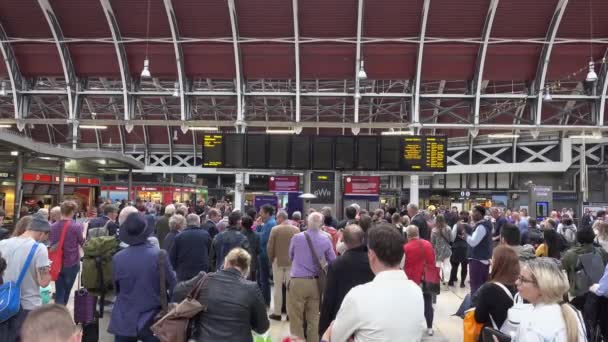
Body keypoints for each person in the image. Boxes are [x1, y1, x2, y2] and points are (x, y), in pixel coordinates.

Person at [323, 225, 424, 341]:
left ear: (371, 255)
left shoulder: (358, 296)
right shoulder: (416, 291)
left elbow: (335, 337)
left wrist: (330, 331)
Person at [172, 248, 269, 341]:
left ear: (225, 263)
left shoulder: (205, 280)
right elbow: (262, 327)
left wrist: (198, 278)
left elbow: (177, 292)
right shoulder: (252, 288)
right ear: (246, 270)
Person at [108, 212, 176, 342]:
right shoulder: (160, 255)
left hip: (125, 317)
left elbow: (117, 289)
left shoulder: (118, 258)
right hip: (152, 317)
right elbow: (173, 283)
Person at [0, 213, 51, 341]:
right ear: (41, 233)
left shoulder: (3, 243)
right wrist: (47, 268)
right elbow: (44, 282)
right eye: (45, 237)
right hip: (28, 306)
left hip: (3, 303)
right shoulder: (39, 248)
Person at [288, 212, 336, 342]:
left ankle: (297, 339)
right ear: (321, 224)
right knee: (313, 317)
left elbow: (290, 255)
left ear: (307, 222)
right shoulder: (326, 239)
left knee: (296, 316)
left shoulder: (297, 237)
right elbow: (333, 260)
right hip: (315, 282)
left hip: (297, 280)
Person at [318, 224, 374, 337]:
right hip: (369, 318)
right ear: (363, 239)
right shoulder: (373, 262)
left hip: (341, 320)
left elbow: (329, 297)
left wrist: (323, 328)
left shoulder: (336, 264)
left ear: (344, 241)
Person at [514, 258, 587, 341]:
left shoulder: (531, 324)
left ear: (542, 286)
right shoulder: (573, 312)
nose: (516, 282)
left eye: (523, 279)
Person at [473, 246, 519, 337]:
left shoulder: (489, 289)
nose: (491, 262)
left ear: (498, 264)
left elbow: (479, 318)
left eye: (493, 259)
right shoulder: (520, 286)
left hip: (493, 336)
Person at [561, 228, 608, 315]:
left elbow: (563, 269)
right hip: (598, 291)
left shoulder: (570, 254)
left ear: (578, 238)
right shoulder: (601, 251)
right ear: (593, 237)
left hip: (579, 293)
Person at [403, 224, 437, 336]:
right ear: (418, 233)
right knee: (428, 302)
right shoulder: (428, 244)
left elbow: (403, 265)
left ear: (407, 235)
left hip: (412, 280)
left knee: (412, 304)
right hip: (428, 277)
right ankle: (430, 328)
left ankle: (414, 327)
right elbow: (433, 259)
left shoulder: (405, 248)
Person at [49, 201, 84, 305]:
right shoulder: (76, 226)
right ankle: (61, 311)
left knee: (59, 289)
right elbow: (82, 242)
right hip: (71, 262)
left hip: (56, 262)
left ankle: (58, 310)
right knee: (67, 290)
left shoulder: (53, 226)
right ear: (73, 211)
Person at [267, 210, 300, 321]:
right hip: (292, 262)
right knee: (290, 288)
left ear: (281, 217)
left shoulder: (275, 229)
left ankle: (277, 313)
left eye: (277, 217)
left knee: (277, 287)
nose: (276, 220)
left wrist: (270, 258)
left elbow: (270, 247)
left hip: (277, 261)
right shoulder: (296, 230)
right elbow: (298, 246)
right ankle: (290, 314)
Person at [169, 214, 211, 282]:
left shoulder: (179, 236)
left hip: (183, 273)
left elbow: (172, 257)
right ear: (198, 222)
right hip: (201, 272)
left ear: (187, 223)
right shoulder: (205, 235)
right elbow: (210, 253)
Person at [464, 205, 494, 295]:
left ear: (480, 214)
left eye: (474, 212)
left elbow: (473, 242)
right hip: (482, 259)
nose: (471, 215)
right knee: (481, 286)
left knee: (476, 287)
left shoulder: (481, 227)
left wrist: (465, 236)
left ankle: (475, 305)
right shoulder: (486, 224)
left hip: (478, 260)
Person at [256, 204, 276, 306]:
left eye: (261, 212)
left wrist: (258, 227)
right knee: (261, 278)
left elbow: (262, 239)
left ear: (267, 213)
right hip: (263, 254)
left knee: (263, 279)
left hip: (264, 255)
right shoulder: (268, 223)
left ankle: (265, 301)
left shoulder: (270, 224)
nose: (260, 214)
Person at [449, 211, 469, 288]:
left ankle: (451, 280)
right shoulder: (470, 227)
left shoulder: (456, 225)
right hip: (466, 248)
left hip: (456, 247)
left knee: (454, 265)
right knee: (464, 266)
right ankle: (462, 283)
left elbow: (453, 237)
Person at [431, 214, 452, 284]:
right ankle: (446, 282)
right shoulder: (448, 228)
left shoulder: (434, 230)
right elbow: (451, 239)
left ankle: (437, 281)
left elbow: (432, 242)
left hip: (437, 250)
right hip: (446, 250)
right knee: (447, 265)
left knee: (437, 265)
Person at [240, 215, 260, 281]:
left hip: (241, 263)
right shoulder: (257, 235)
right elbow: (258, 250)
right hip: (253, 262)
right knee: (252, 282)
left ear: (241, 224)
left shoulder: (239, 235)